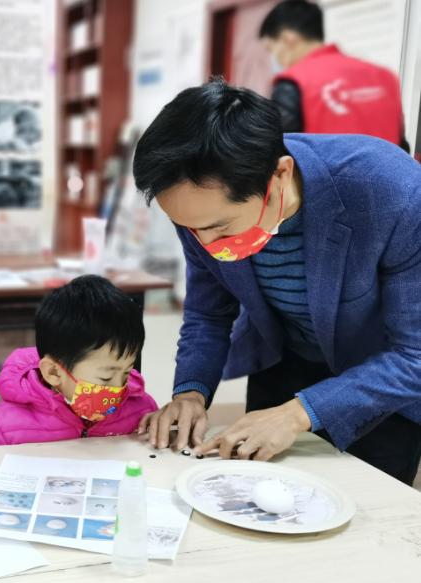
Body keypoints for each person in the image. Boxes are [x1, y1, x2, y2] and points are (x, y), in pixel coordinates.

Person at [133, 80, 421, 485]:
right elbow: (208, 314)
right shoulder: (199, 209)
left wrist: (298, 414)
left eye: (221, 228)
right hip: (283, 361)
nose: (207, 246)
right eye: (190, 229)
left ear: (280, 175)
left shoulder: (393, 193)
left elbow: (414, 354)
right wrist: (190, 392)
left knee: (366, 505)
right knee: (253, 495)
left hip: (379, 384)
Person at [0, 275, 157, 447]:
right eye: (106, 378)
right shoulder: (3, 428)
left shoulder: (142, 412)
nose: (118, 391)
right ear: (53, 372)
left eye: (126, 374)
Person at [259, 0, 408, 150]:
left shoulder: (293, 82)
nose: (274, 57)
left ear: (288, 38)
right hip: (387, 166)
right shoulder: (385, 76)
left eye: (271, 48)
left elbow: (281, 151)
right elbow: (402, 147)